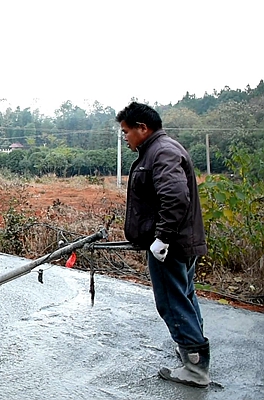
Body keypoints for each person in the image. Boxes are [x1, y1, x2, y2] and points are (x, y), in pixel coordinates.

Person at [116, 102, 210, 388]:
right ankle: (192, 353)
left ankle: (195, 369)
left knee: (172, 301)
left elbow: (175, 197)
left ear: (143, 128)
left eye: (126, 131)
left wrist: (162, 238)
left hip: (171, 246)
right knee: (185, 296)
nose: (125, 138)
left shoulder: (162, 152)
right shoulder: (158, 150)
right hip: (180, 243)